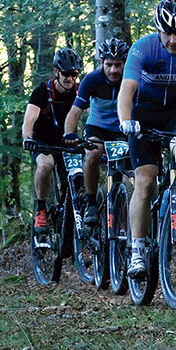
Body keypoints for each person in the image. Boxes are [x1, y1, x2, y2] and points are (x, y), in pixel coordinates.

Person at [117, 0, 176, 280]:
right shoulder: (143, 48)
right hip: (145, 114)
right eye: (167, 33)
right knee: (145, 180)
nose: (173, 40)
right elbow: (127, 89)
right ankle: (137, 250)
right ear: (158, 29)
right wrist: (125, 120)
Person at [63, 38, 130, 227]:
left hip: (124, 129)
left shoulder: (131, 79)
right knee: (93, 153)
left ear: (125, 63)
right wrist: (69, 133)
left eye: (118, 65)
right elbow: (75, 111)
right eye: (109, 64)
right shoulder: (91, 80)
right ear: (101, 62)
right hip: (98, 128)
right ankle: (91, 203)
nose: (113, 70)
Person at [22, 48, 82, 232]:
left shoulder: (79, 91)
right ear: (56, 71)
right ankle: (41, 209)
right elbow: (29, 120)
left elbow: (93, 113)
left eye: (74, 75)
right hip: (42, 142)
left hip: (67, 143)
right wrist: (27, 138)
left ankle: (71, 224)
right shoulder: (42, 92)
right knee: (46, 164)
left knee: (76, 179)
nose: (70, 79)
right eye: (66, 74)